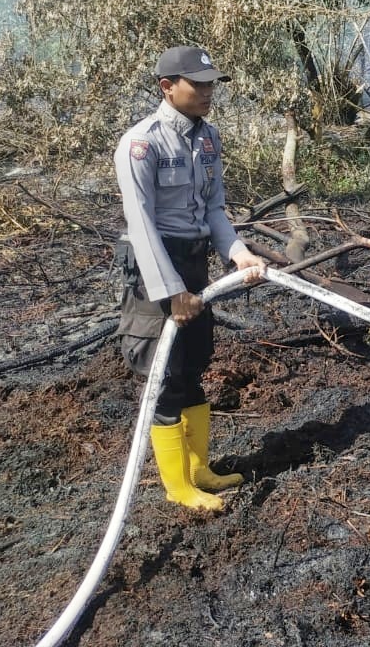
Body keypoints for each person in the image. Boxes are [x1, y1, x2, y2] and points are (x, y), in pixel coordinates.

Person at [114, 46, 268, 511]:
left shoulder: (208, 139)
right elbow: (141, 225)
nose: (207, 93)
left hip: (195, 261)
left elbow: (214, 208)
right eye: (197, 84)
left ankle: (200, 469)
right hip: (154, 267)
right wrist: (172, 290)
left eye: (210, 84)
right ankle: (177, 486)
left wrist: (238, 253)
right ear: (168, 87)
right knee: (165, 376)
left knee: (195, 362)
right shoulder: (142, 143)